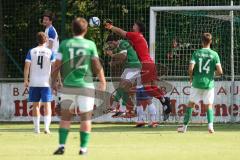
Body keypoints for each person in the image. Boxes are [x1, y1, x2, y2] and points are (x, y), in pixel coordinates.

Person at [52, 17, 106, 155]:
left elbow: (56, 64)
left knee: (65, 117)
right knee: (86, 118)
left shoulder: (65, 44)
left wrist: (54, 81)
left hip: (68, 85)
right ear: (86, 30)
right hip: (86, 85)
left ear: (72, 29)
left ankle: (62, 146)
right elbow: (96, 64)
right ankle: (83, 149)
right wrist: (102, 81)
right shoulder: (90, 45)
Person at [104, 20, 172, 120]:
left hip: (144, 64)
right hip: (150, 63)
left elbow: (121, 32)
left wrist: (111, 27)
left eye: (134, 25)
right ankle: (163, 102)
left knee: (146, 89)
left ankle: (163, 99)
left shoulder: (135, 35)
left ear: (138, 28)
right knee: (150, 88)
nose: (133, 26)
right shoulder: (141, 38)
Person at [105, 34, 158, 127]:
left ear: (114, 41)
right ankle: (146, 121)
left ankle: (114, 107)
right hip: (136, 67)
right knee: (141, 96)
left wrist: (112, 55)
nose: (110, 46)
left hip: (132, 67)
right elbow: (123, 59)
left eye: (110, 44)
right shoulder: (121, 46)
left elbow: (123, 56)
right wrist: (114, 62)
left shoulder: (122, 43)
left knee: (122, 86)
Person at [177, 33, 223, 133]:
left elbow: (190, 68)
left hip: (197, 83)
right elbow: (220, 72)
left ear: (202, 42)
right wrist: (211, 73)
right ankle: (210, 127)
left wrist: (190, 78)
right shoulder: (215, 54)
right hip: (209, 84)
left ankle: (184, 127)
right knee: (209, 105)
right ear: (211, 42)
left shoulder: (196, 53)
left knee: (190, 105)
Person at [24, 32, 55, 134]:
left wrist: (25, 79)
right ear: (46, 40)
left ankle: (36, 129)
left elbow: (27, 66)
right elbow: (55, 67)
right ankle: (46, 128)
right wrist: (58, 79)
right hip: (46, 82)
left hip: (34, 82)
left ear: (37, 40)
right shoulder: (50, 52)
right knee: (47, 105)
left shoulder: (32, 51)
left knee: (35, 105)